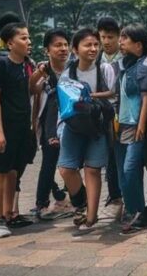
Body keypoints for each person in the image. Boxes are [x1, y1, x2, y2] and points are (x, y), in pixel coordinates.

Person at [54, 29, 115, 232]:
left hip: (97, 126)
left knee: (92, 169)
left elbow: (113, 94)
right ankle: (81, 202)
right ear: (75, 49)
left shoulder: (104, 68)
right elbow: (62, 102)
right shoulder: (68, 72)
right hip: (73, 126)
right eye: (87, 45)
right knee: (66, 168)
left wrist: (88, 96)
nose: (93, 49)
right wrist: (59, 129)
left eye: (95, 45)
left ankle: (90, 217)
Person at [0, 23, 37, 238]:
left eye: (28, 38)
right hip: (5, 126)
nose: (28, 42)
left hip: (22, 126)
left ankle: (10, 213)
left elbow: (29, 92)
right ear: (10, 43)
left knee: (14, 170)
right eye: (24, 38)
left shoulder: (26, 65)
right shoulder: (1, 64)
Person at [114, 25, 147, 234]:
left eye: (126, 39)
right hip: (122, 124)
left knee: (130, 170)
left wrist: (141, 125)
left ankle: (139, 210)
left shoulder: (145, 66)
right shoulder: (125, 65)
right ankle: (134, 210)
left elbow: (146, 96)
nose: (121, 42)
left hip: (136, 127)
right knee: (124, 173)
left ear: (139, 45)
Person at [29, 29, 76, 222]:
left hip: (71, 122)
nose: (63, 49)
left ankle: (71, 200)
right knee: (49, 161)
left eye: (65, 44)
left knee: (71, 163)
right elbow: (31, 88)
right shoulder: (44, 69)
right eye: (58, 45)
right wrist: (40, 73)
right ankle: (42, 203)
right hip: (49, 124)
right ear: (47, 50)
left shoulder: (74, 68)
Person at [96, 16, 123, 221]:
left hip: (121, 114)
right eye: (103, 37)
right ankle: (113, 196)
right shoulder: (95, 58)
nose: (106, 41)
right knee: (106, 157)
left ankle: (118, 197)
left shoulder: (125, 58)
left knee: (117, 157)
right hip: (101, 115)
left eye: (110, 37)